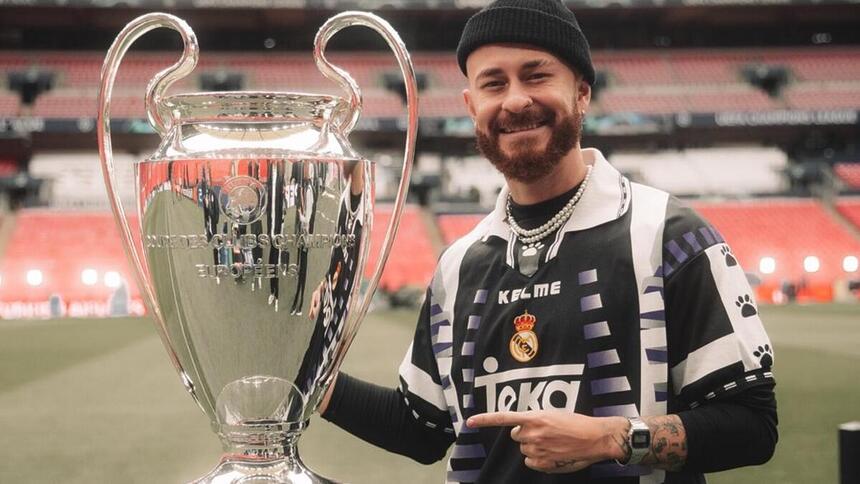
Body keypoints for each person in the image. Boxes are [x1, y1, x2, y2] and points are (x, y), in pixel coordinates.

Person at [318, 1, 778, 482]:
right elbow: (422, 428)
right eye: (494, 83)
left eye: (536, 76)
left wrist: (613, 437)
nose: (515, 100)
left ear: (581, 92)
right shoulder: (458, 265)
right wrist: (304, 375)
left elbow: (753, 425)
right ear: (472, 105)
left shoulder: (671, 235)